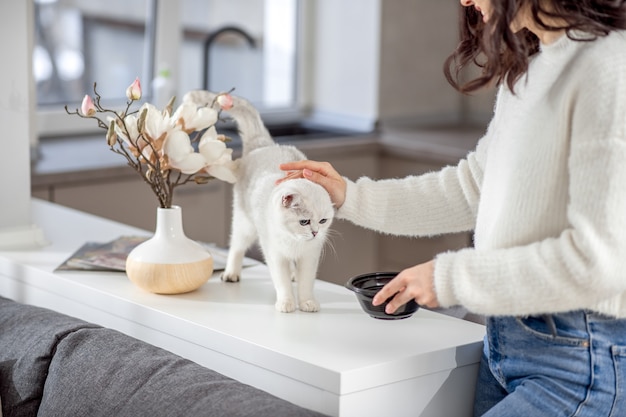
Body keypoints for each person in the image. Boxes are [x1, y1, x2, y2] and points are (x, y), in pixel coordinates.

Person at [277, 0, 626, 415]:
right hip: (504, 343)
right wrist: (350, 197)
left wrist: (449, 277)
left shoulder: (609, 66)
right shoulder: (533, 66)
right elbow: (470, 188)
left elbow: (601, 261)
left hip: (578, 363)